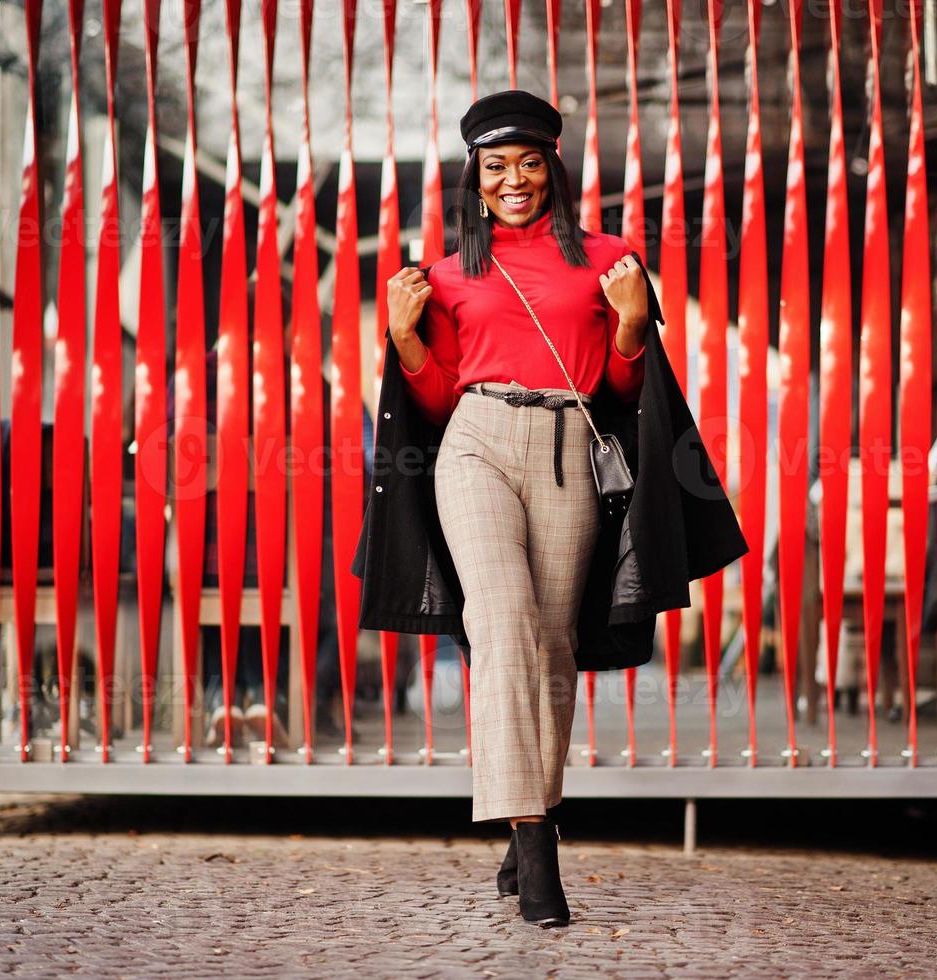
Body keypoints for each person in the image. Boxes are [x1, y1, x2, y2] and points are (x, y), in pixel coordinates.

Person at [384, 90, 650, 928]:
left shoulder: (609, 259)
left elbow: (620, 391)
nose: (514, 180)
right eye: (495, 166)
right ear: (475, 177)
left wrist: (633, 326)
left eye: (529, 162)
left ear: (554, 168)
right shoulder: (448, 270)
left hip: (569, 443)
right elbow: (431, 403)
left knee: (551, 644)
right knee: (498, 622)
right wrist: (404, 339)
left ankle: (525, 814)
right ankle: (539, 854)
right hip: (476, 444)